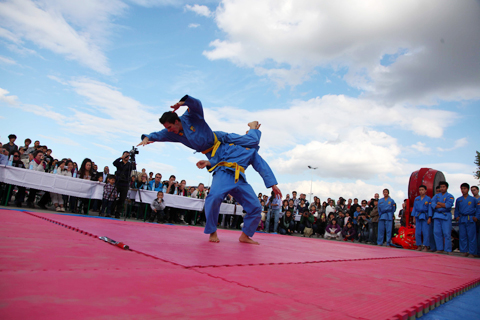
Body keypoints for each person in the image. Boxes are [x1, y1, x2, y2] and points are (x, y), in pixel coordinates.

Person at [196, 140, 281, 245]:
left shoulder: (251, 151)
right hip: (223, 173)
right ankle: (212, 231)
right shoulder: (227, 144)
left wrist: (272, 184)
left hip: (239, 178)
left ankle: (245, 235)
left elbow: (262, 166)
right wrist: (208, 162)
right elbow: (217, 157)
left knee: (256, 207)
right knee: (214, 198)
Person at [139, 95, 262, 159]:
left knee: (252, 141)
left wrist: (184, 102)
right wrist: (146, 138)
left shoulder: (189, 117)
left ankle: (252, 127)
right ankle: (249, 133)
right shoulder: (171, 133)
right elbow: (157, 135)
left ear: (177, 121)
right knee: (238, 159)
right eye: (167, 128)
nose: (169, 130)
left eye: (170, 127)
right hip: (212, 153)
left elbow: (197, 104)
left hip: (219, 138)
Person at [454, 183, 478, 257]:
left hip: (470, 218)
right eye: (462, 189)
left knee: (471, 236)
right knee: (462, 236)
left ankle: (472, 252)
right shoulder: (459, 200)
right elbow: (456, 210)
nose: (463, 190)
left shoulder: (473, 199)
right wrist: (456, 216)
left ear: (468, 189)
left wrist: (477, 217)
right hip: (462, 218)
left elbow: (478, 209)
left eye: (465, 188)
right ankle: (464, 251)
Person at [431, 181, 454, 254]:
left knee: (447, 233)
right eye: (441, 187)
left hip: (445, 215)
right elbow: (433, 205)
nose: (442, 188)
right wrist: (442, 205)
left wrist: (439, 203)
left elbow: (448, 205)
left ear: (446, 187)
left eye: (444, 187)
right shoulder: (436, 196)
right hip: (437, 215)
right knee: (437, 232)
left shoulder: (450, 196)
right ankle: (440, 248)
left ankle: (448, 249)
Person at [112, 151, 136, 219]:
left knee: (122, 199)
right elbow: (114, 163)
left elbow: (134, 167)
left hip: (125, 183)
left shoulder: (129, 165)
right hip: (118, 182)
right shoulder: (119, 163)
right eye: (126, 155)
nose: (127, 157)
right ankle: (111, 210)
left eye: (128, 156)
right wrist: (121, 158)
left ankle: (118, 213)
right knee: (114, 197)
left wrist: (133, 158)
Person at [411, 185, 432, 252]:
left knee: (426, 232)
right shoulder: (416, 199)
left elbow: (429, 209)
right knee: (418, 232)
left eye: (422, 190)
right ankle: (419, 246)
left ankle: (426, 246)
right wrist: (414, 217)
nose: (421, 191)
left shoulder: (428, 199)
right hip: (418, 216)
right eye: (420, 190)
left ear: (425, 191)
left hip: (425, 216)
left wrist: (429, 217)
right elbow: (414, 208)